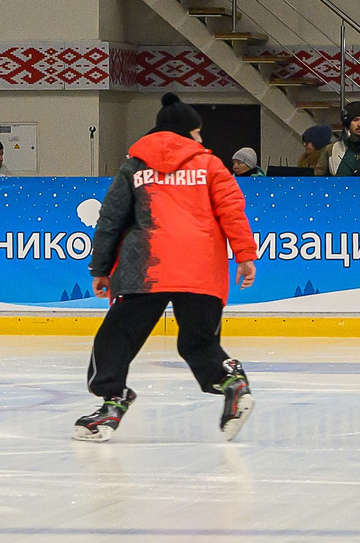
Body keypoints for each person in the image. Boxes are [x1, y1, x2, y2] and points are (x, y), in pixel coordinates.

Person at [77, 93, 258, 442]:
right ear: (187, 132)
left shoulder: (134, 166)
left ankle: (112, 402)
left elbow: (111, 220)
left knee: (116, 337)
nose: (202, 140)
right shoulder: (210, 166)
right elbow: (232, 210)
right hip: (202, 269)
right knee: (198, 342)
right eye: (199, 132)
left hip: (146, 270)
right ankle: (233, 384)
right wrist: (245, 255)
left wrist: (100, 268)